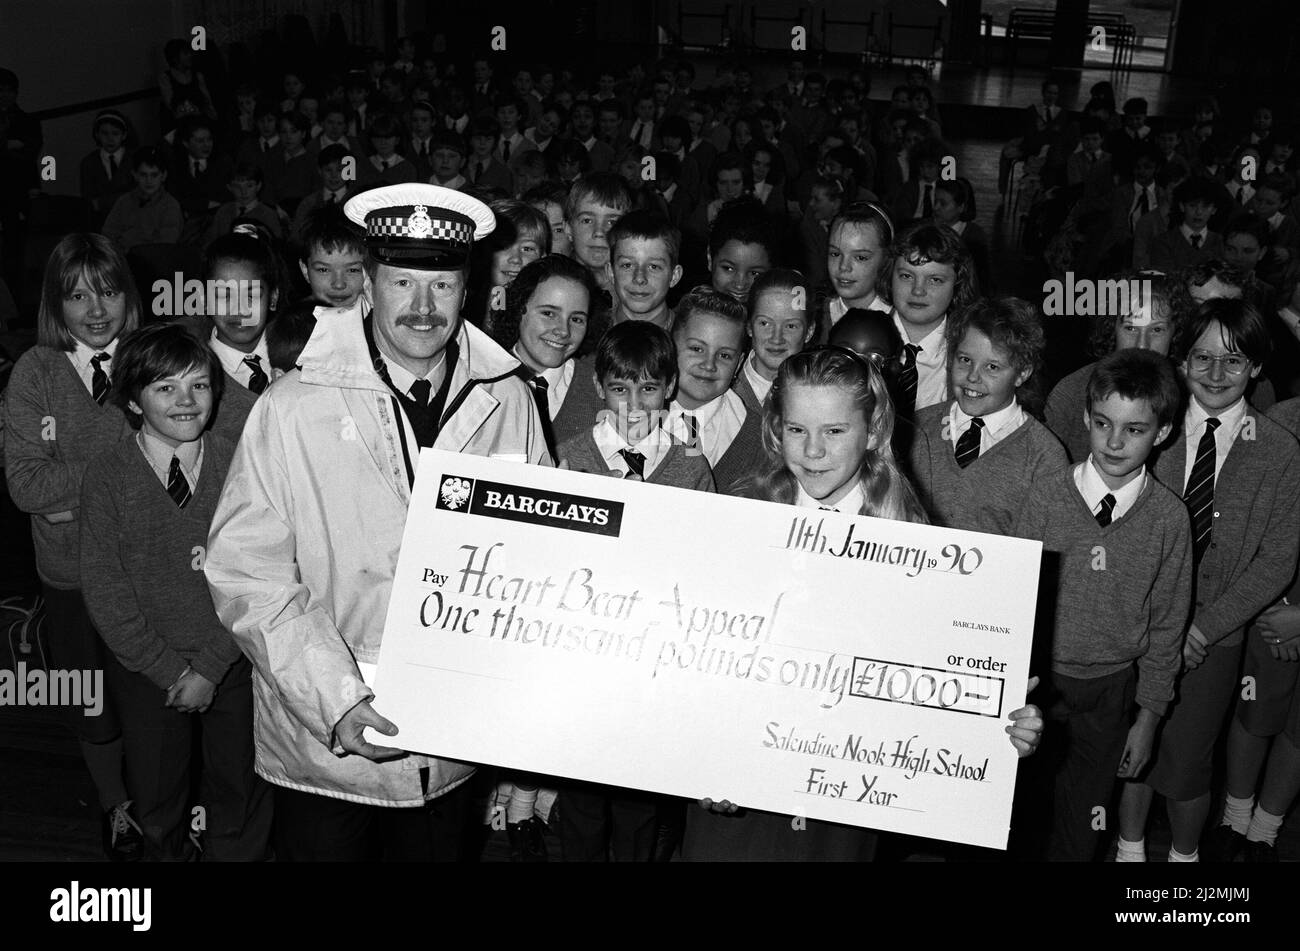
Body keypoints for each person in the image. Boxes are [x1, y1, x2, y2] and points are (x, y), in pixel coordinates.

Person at [203, 184, 550, 861]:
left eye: (442, 284)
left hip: (452, 745)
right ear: (368, 282)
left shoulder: (509, 398)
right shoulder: (292, 406)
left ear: (467, 287)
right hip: (326, 751)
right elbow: (247, 572)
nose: (423, 308)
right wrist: (335, 698)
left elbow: (535, 561)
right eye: (403, 282)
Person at [682, 347, 1044, 860]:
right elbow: (689, 664)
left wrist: (997, 725)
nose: (812, 451)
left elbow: (943, 688)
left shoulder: (921, 549)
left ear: (872, 431)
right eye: (796, 430)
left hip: (844, 803)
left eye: (834, 431)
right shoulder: (737, 524)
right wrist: (694, 757)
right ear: (774, 430)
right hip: (739, 798)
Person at [79, 324, 271, 861]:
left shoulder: (241, 462)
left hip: (232, 657)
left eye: (199, 385)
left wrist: (210, 667)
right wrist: (172, 672)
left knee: (239, 784)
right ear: (134, 401)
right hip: (146, 669)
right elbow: (105, 591)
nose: (187, 401)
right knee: (158, 793)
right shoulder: (108, 475)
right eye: (166, 388)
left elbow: (259, 573)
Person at [1118, 297, 1300, 862]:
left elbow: (1276, 559)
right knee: (1133, 746)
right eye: (1202, 358)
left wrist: (1203, 629)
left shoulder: (1278, 452)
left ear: (1258, 368)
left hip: (1214, 638)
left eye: (1234, 360)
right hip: (1140, 625)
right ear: (1180, 361)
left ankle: (1185, 859)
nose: (1216, 375)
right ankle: (1127, 852)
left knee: (1188, 758)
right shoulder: (1155, 430)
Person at [1016, 349, 1192, 861]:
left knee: (1086, 822)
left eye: (1134, 430)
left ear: (1161, 433)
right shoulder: (1047, 496)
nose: (1114, 442)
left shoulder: (1168, 520)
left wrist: (1150, 717)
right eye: (1102, 424)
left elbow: (1168, 626)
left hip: (1113, 691)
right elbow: (1018, 601)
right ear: (1086, 419)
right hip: (1039, 683)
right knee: (1025, 820)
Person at [3, 234, 143, 860]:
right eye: (77, 293)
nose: (95, 309)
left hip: (148, 569)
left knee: (153, 701)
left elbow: (184, 467)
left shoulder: (153, 356)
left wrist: (74, 497)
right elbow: (29, 487)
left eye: (108, 291)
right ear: (54, 303)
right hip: (69, 576)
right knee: (90, 703)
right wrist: (126, 471)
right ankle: (117, 809)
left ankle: (162, 806)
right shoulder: (34, 371)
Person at [554, 320, 713, 862]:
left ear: (669, 387)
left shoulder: (690, 466)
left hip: (651, 656)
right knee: (580, 795)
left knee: (638, 801)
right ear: (599, 387)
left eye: (648, 388)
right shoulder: (569, 457)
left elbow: (704, 562)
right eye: (620, 389)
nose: (634, 403)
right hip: (582, 650)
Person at [1202, 394, 1300, 861]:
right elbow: (1247, 526)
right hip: (1274, 600)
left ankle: (1265, 831)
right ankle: (1235, 821)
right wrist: (1275, 603)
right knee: (1256, 708)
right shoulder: (1279, 422)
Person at [909, 296, 1067, 535]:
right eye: (965, 360)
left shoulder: (1043, 457)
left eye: (992, 367)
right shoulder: (915, 429)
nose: (973, 377)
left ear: (1022, 373)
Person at [1044, 272, 1187, 463]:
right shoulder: (1072, 392)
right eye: (1130, 328)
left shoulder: (1189, 396)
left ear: (1175, 333)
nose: (1142, 344)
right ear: (1112, 327)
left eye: (1157, 330)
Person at [666, 287, 766, 494]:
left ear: (738, 364)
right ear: (670, 347)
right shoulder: (631, 410)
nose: (709, 365)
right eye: (697, 349)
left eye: (724, 356)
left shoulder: (756, 438)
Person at [881, 222, 980, 419]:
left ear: (958, 285)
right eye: (907, 276)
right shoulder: (862, 337)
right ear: (890, 276)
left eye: (935, 280)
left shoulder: (971, 352)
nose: (918, 290)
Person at [735, 268, 815, 414]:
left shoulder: (823, 394)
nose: (776, 338)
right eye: (765, 323)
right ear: (749, 326)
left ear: (809, 331)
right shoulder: (719, 383)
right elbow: (687, 433)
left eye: (791, 326)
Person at [824, 201, 895, 332]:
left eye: (860, 257)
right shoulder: (813, 318)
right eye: (835, 254)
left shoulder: (901, 324)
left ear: (886, 260)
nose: (844, 266)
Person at [102, 147, 183, 253]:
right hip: (122, 260)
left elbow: (166, 243)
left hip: (155, 262)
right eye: (143, 175)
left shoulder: (170, 205)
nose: (149, 181)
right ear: (135, 175)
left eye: (154, 175)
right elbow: (108, 234)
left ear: (163, 176)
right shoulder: (124, 201)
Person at [296, 204, 368, 311]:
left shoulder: (384, 322)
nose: (339, 284)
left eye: (352, 270)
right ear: (305, 270)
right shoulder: (290, 325)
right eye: (324, 270)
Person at [79, 110, 135, 229]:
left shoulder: (134, 159)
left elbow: (136, 195)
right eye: (105, 133)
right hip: (100, 223)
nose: (110, 139)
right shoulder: (89, 162)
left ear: (124, 135)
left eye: (115, 134)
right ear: (97, 135)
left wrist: (101, 202)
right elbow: (88, 201)